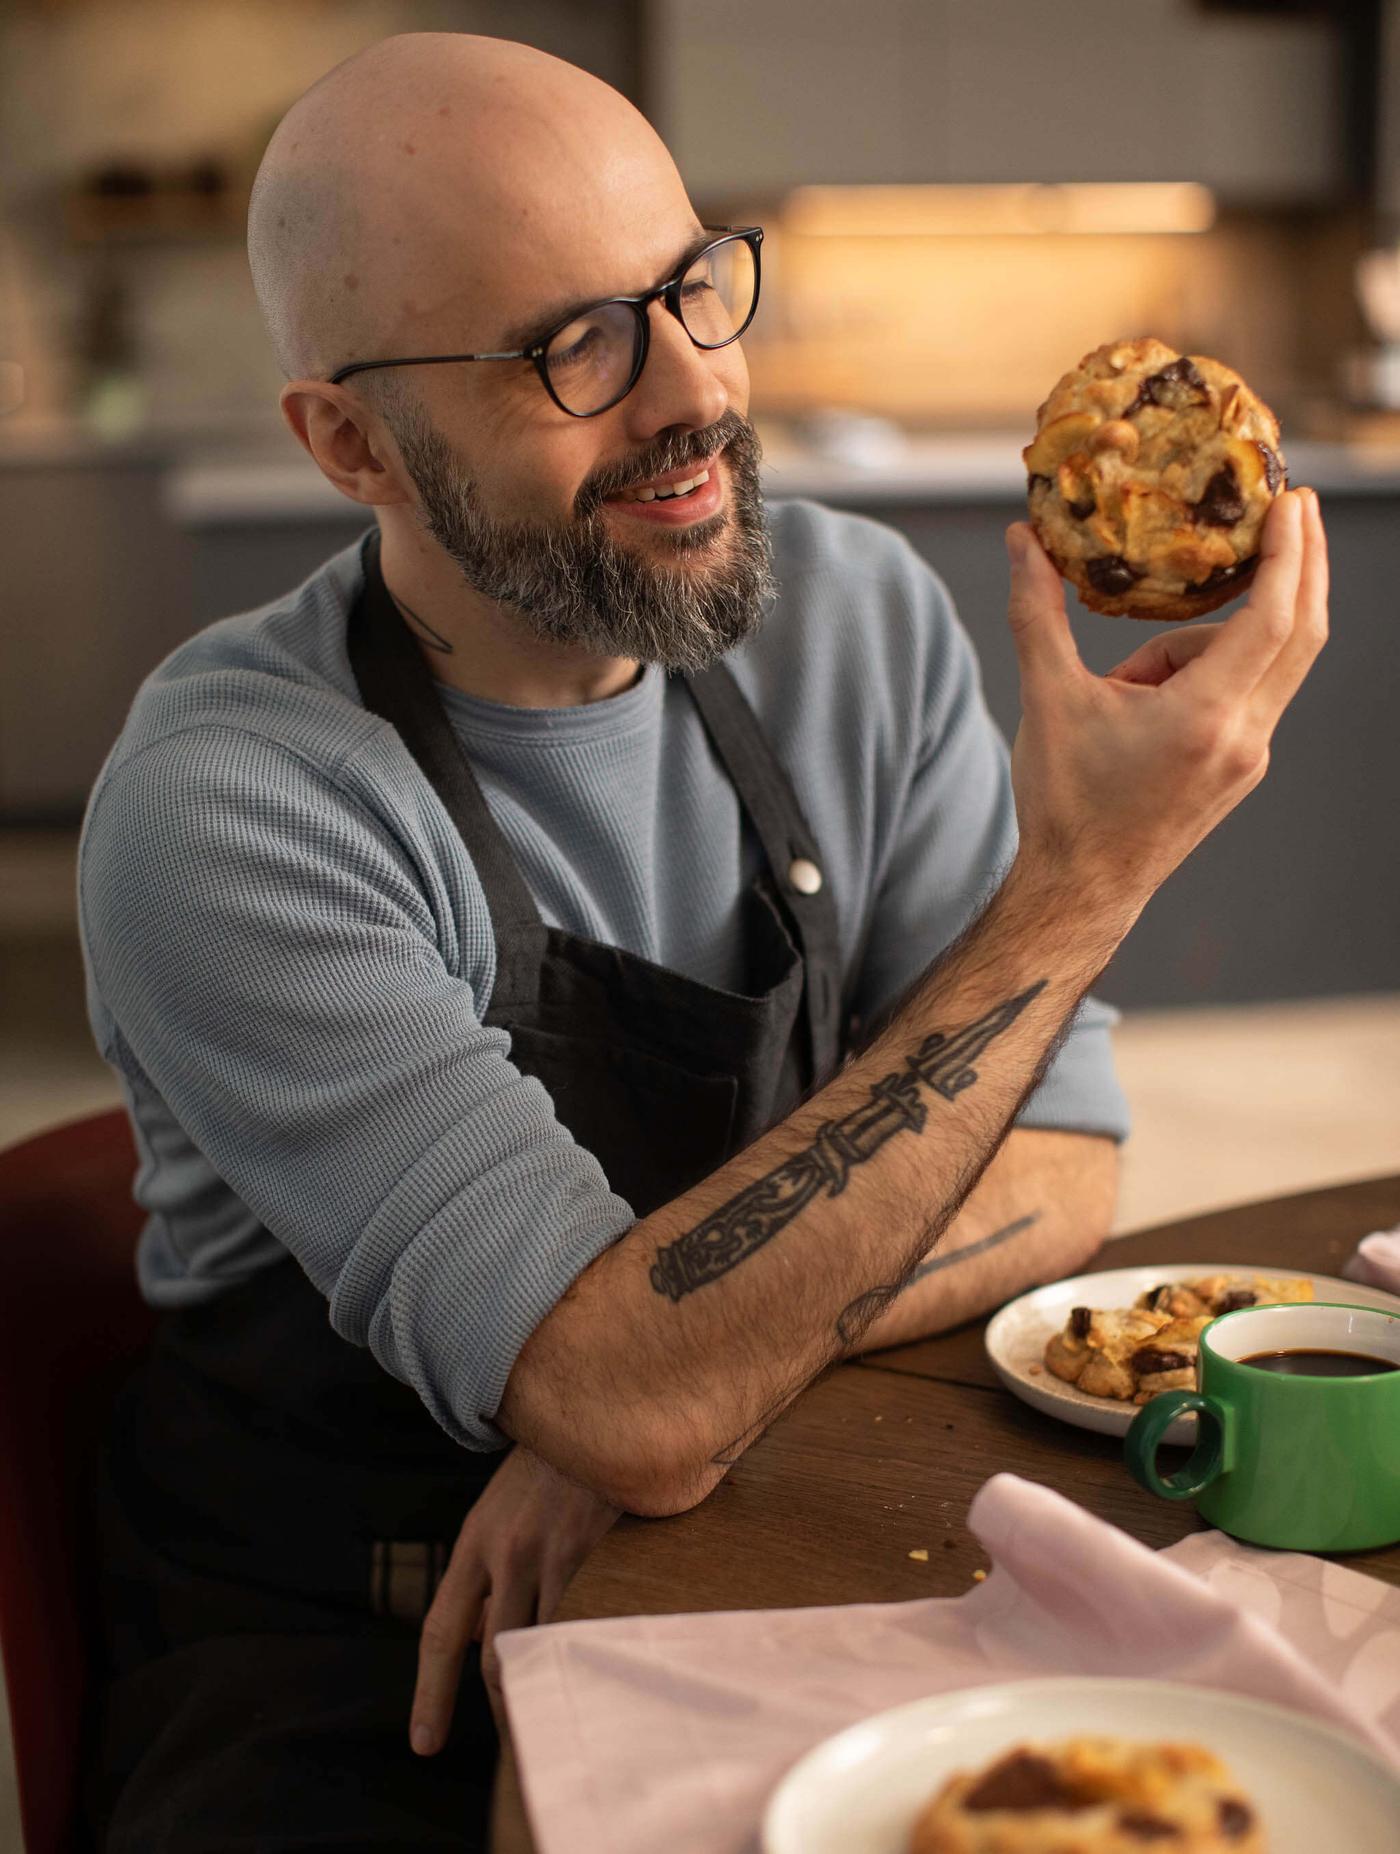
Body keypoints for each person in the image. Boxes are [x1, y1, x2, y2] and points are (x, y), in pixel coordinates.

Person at [77, 31, 1327, 1853]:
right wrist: (1084, 883)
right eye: (566, 344)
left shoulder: (852, 616)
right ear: (351, 440)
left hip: (762, 1532)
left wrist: (662, 1394)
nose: (689, 394)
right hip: (357, 1660)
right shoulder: (236, 803)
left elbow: (1063, 1163)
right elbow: (635, 1399)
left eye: (689, 290)